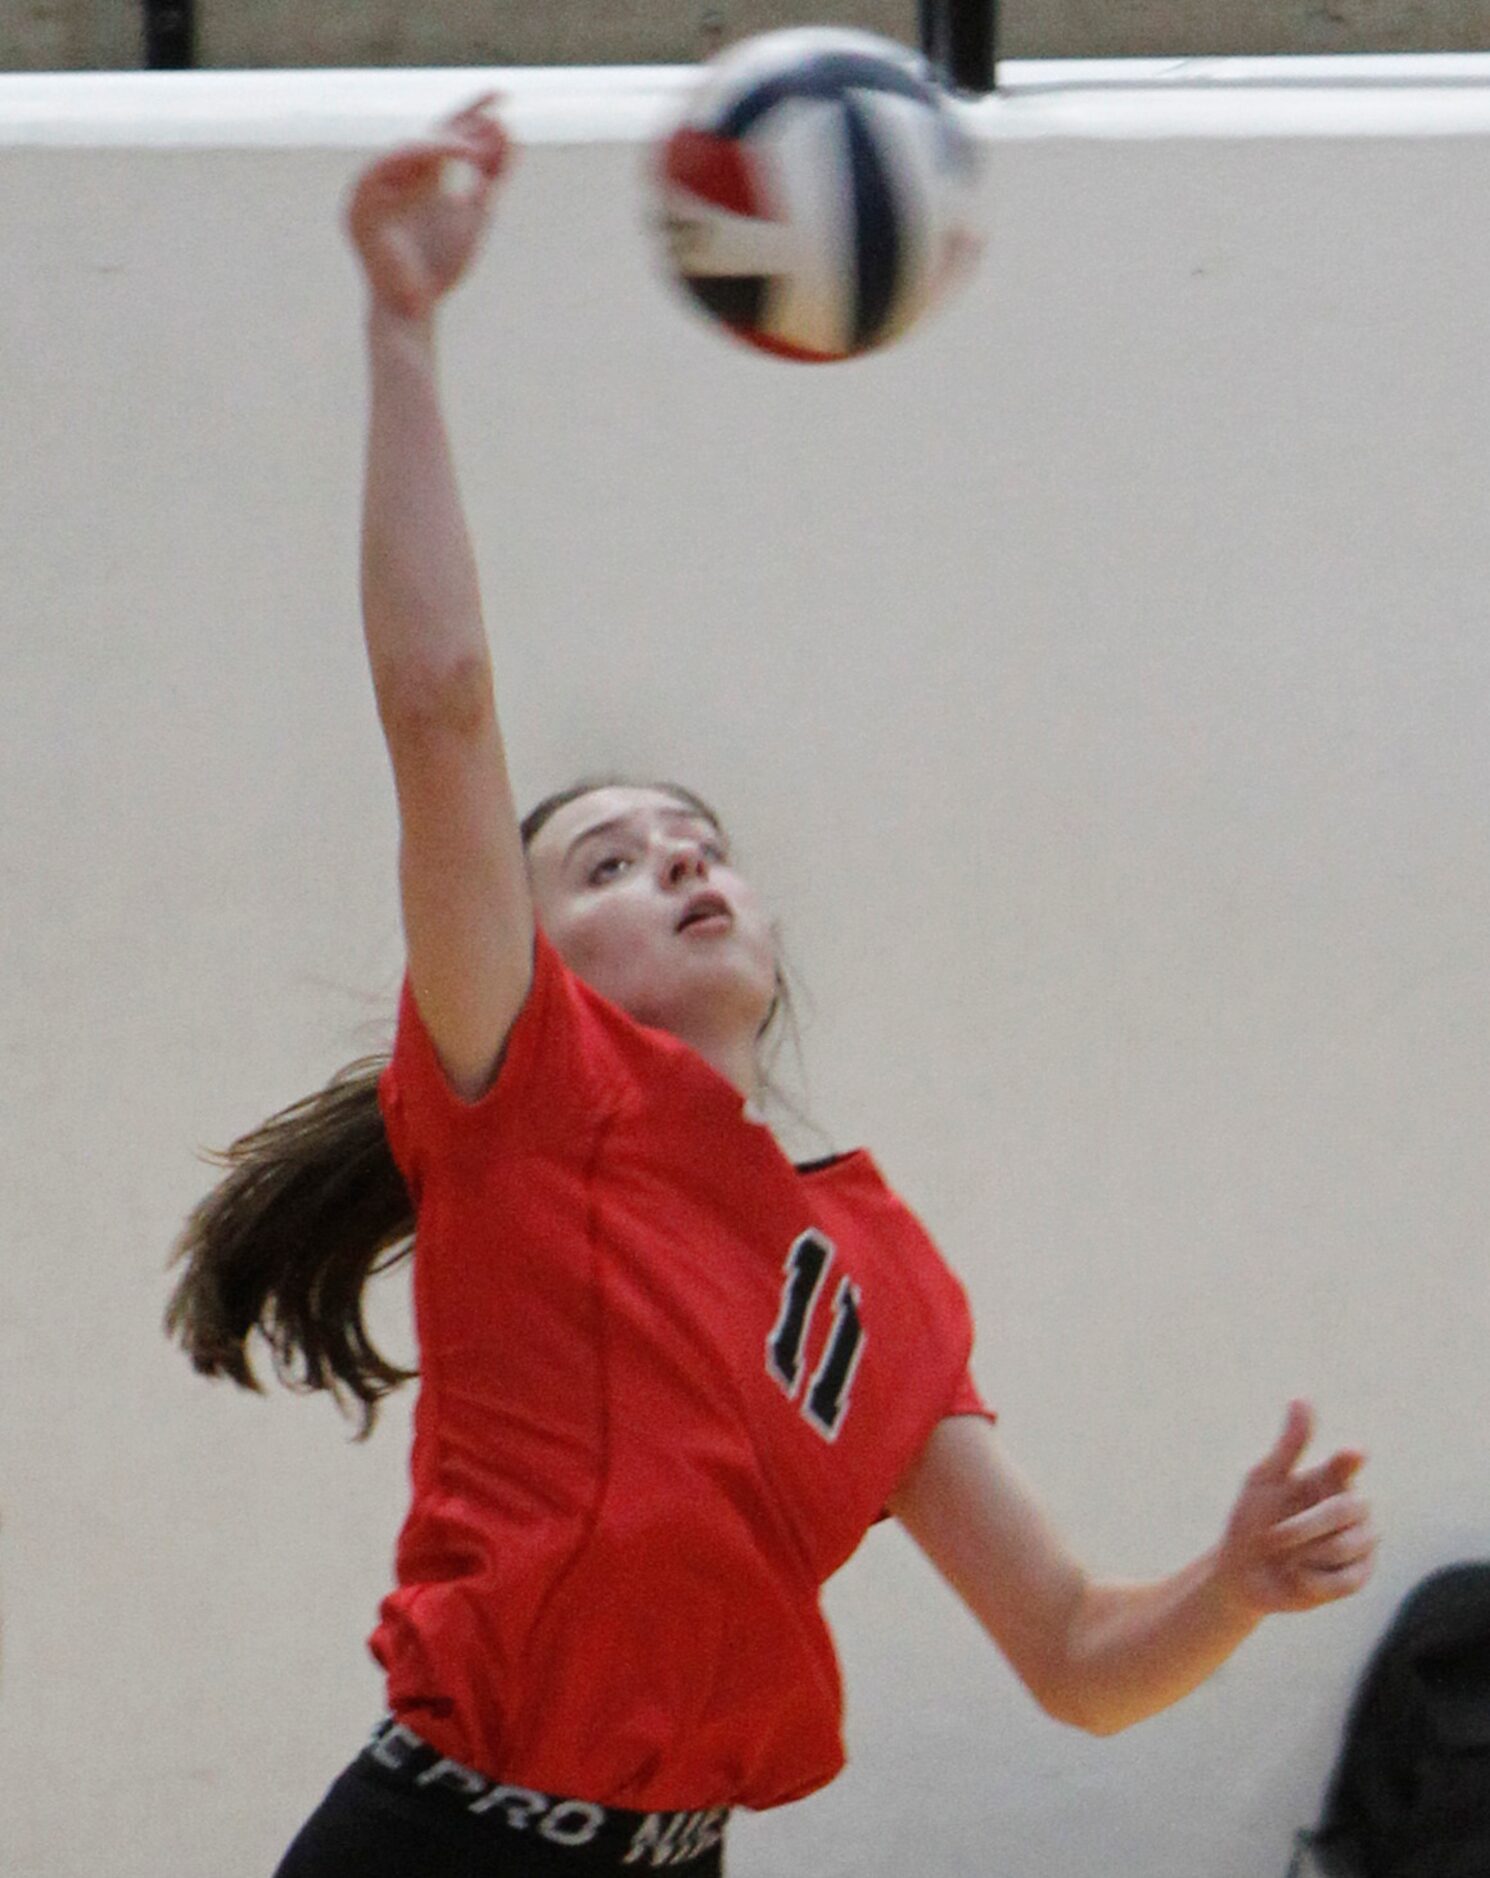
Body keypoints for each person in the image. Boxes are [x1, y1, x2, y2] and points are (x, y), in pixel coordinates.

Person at [164, 98, 1378, 1878]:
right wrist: (403, 329)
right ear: (524, 943)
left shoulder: (877, 1273)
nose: (678, 859)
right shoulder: (531, 1097)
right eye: (608, 859)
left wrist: (1233, 1583)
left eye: (698, 839)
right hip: (442, 1845)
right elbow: (437, 699)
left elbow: (1075, 1660)